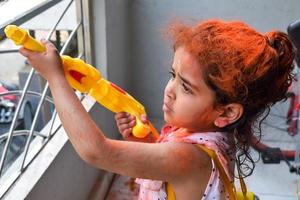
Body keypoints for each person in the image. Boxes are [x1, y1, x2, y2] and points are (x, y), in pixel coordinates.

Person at [19, 19, 295, 200]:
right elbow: (175, 169)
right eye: (172, 74)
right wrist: (150, 142)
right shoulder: (207, 133)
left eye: (186, 87)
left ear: (226, 113)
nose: (169, 90)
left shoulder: (189, 159)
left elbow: (96, 151)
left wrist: (55, 78)